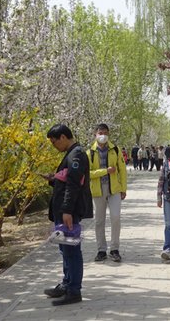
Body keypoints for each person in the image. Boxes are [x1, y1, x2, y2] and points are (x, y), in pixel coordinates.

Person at [43, 124, 93, 306]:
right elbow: (67, 179)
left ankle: (74, 290)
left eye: (54, 141)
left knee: (72, 251)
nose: (54, 145)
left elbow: (73, 184)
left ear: (63, 137)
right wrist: (54, 178)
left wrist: (67, 210)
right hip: (62, 209)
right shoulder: (71, 154)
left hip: (68, 211)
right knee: (65, 249)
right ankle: (66, 283)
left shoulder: (76, 154)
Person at [87, 123, 127, 263]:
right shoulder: (90, 153)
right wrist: (105, 171)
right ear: (95, 134)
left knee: (116, 218)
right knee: (99, 221)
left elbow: (122, 169)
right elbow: (88, 173)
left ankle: (114, 249)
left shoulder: (115, 150)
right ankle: (101, 250)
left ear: (108, 134)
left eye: (105, 133)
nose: (102, 135)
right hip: (98, 190)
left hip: (114, 189)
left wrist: (123, 189)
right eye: (100, 133)